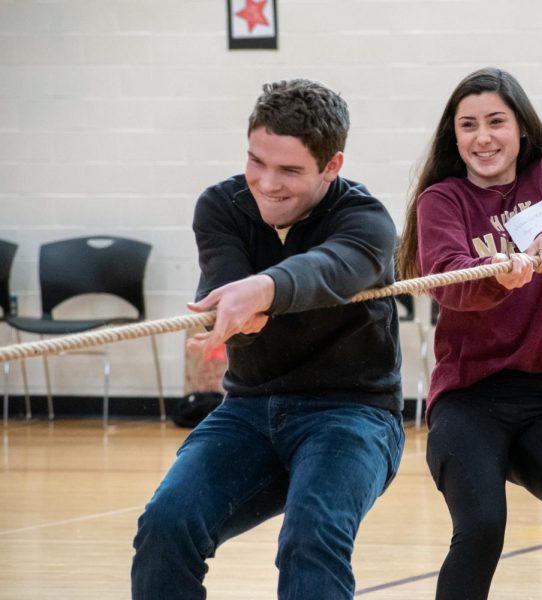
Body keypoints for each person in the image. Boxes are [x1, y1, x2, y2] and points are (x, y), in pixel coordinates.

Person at [130, 79, 405, 599]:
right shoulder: (222, 205)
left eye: (290, 170)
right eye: (257, 161)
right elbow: (224, 278)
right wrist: (235, 304)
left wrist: (263, 291)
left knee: (310, 540)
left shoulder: (366, 222)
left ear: (332, 166)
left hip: (353, 414)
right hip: (249, 409)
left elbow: (330, 268)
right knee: (165, 526)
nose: (266, 183)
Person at [396, 67, 542, 600]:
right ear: (455, 136)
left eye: (496, 121)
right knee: (483, 526)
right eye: (468, 125)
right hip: (470, 399)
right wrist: (498, 279)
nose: (483, 137)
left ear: (521, 129)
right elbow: (450, 280)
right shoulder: (441, 201)